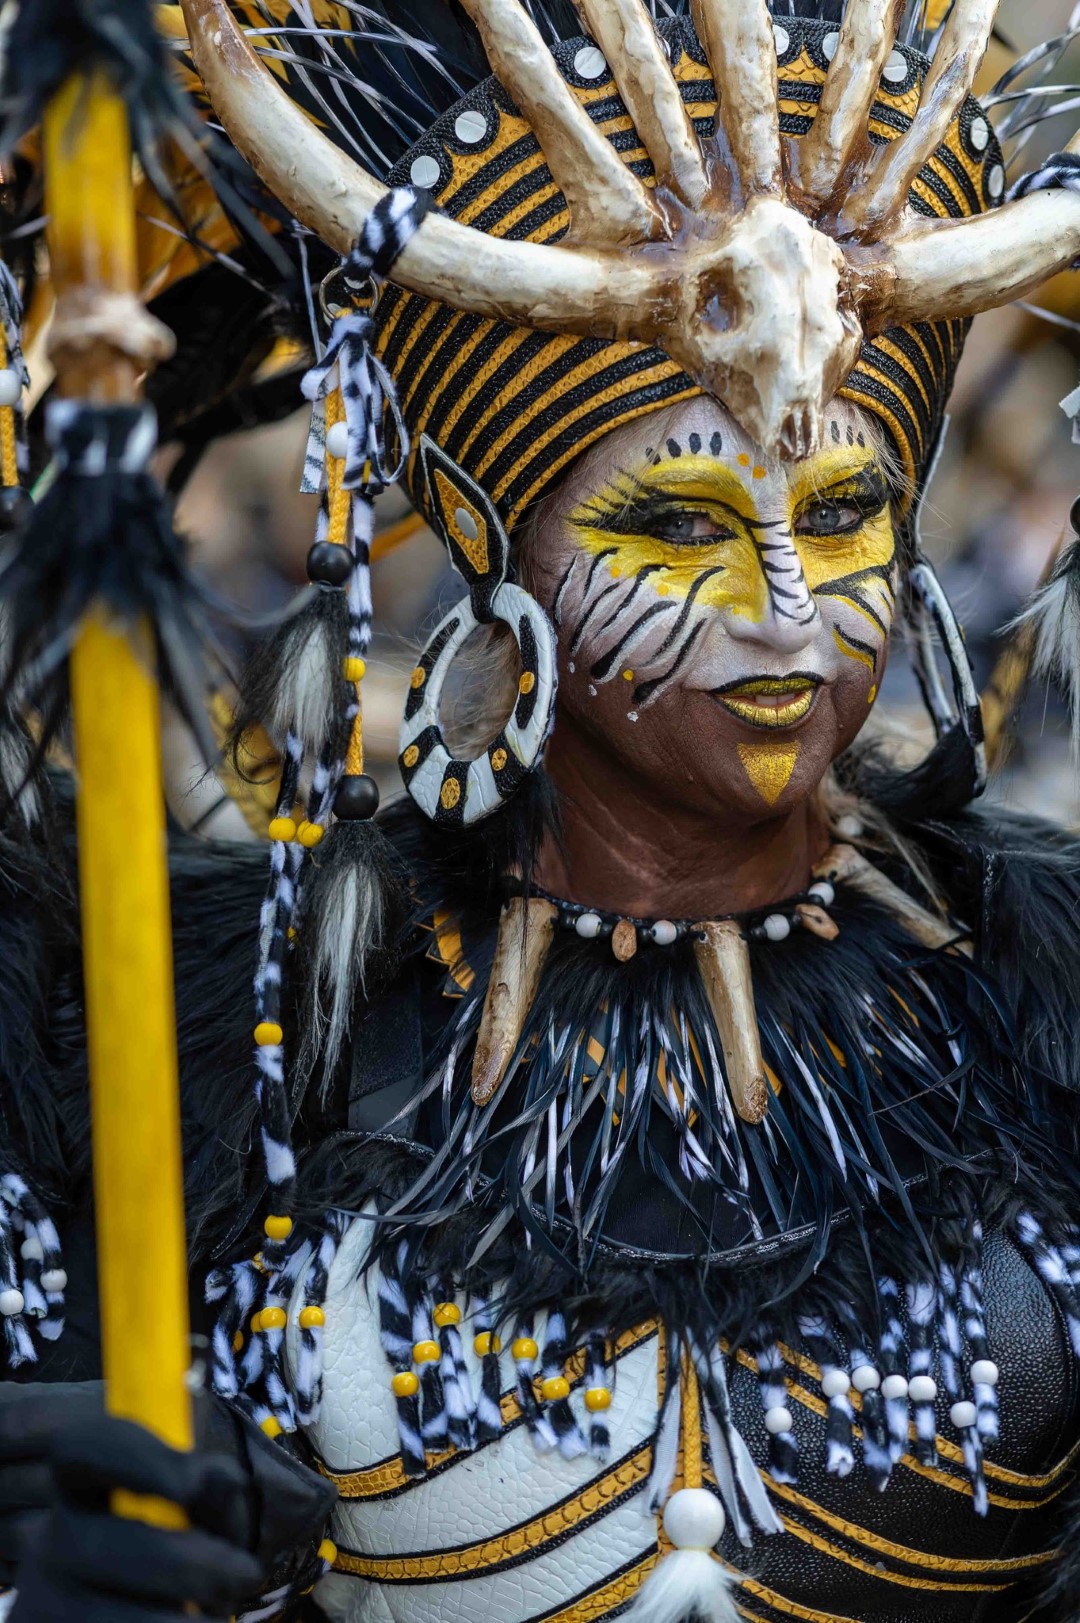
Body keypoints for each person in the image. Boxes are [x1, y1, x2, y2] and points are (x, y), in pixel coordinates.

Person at [4, 0, 1080, 1619]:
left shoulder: (1045, 1004)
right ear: (494, 550)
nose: (790, 615)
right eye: (682, 524)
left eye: (845, 511)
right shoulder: (205, 1046)